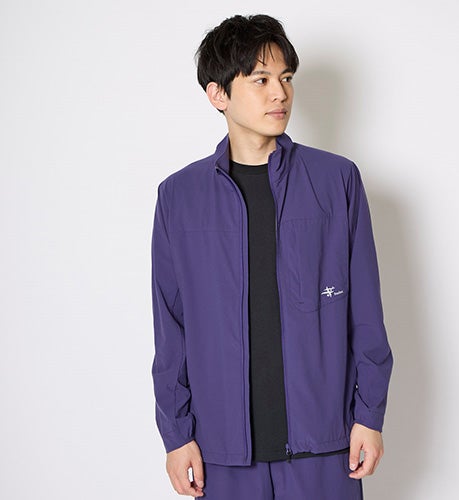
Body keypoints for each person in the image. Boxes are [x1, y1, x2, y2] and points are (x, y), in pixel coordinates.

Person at [150, 14, 394, 499]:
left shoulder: (336, 181)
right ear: (218, 94)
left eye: (286, 78)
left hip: (324, 445)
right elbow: (170, 327)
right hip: (221, 452)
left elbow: (366, 312)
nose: (279, 93)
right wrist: (177, 436)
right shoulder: (179, 197)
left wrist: (369, 415)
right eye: (260, 80)